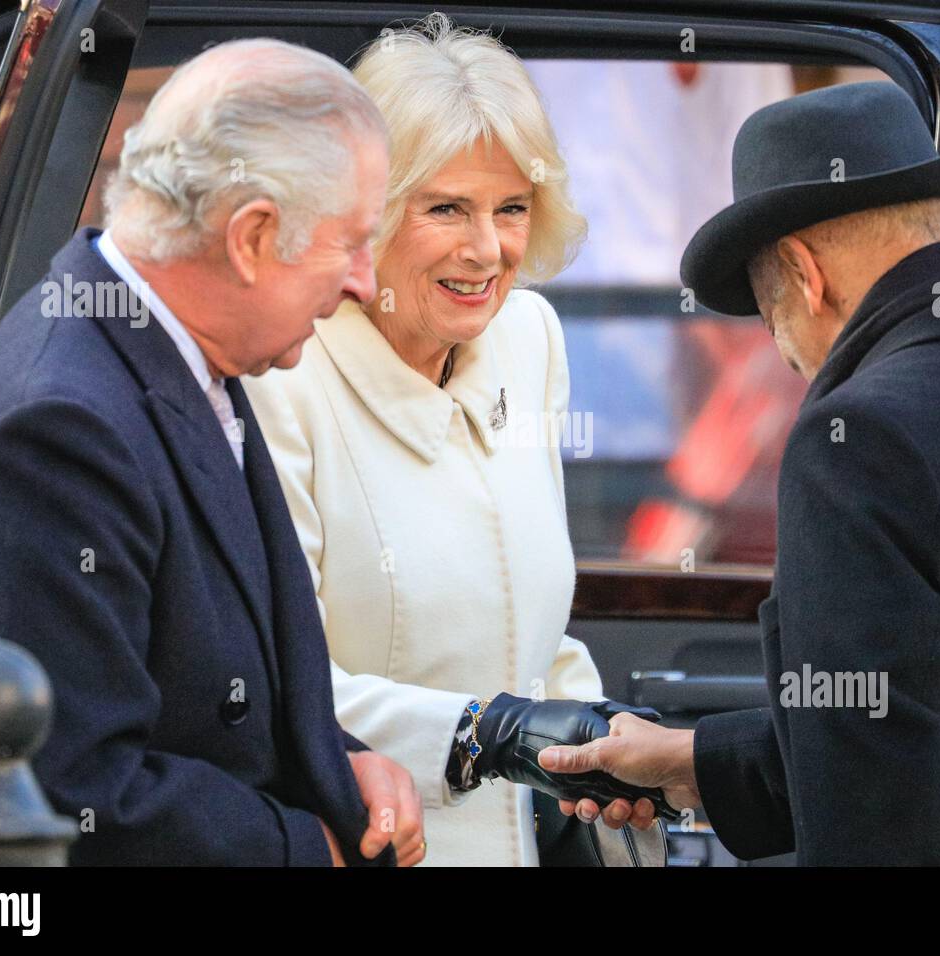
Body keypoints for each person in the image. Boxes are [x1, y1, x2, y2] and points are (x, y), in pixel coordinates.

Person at [538, 81, 940, 865]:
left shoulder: (861, 443)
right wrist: (692, 760)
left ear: (805, 274)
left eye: (771, 318)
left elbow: (875, 820)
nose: (788, 359)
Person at [0, 39, 425, 866]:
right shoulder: (55, 433)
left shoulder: (173, 350)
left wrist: (342, 761)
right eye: (349, 241)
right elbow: (68, 793)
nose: (362, 280)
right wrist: (303, 848)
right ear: (252, 239)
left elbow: (208, 680)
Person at [242, 14, 660, 866]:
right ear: (369, 212)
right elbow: (270, 685)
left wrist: (620, 755)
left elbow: (532, 642)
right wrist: (481, 735)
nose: (487, 249)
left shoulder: (529, 338)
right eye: (446, 208)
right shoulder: (280, 378)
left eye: (512, 207)